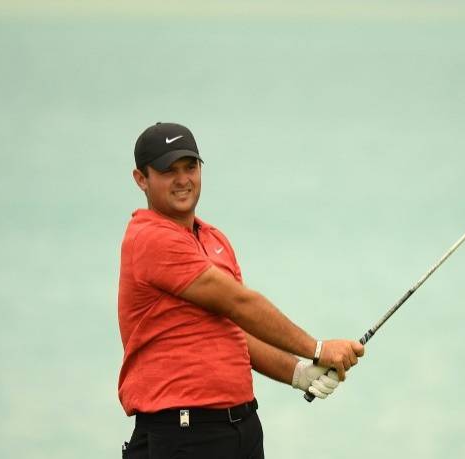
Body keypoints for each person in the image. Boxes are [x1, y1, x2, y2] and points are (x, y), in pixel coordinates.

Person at [118, 122, 365, 459]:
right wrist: (318, 349)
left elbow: (232, 331)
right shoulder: (150, 238)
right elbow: (239, 303)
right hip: (184, 432)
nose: (182, 179)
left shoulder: (213, 239)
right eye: (167, 171)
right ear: (141, 179)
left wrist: (298, 373)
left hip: (240, 427)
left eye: (190, 167)